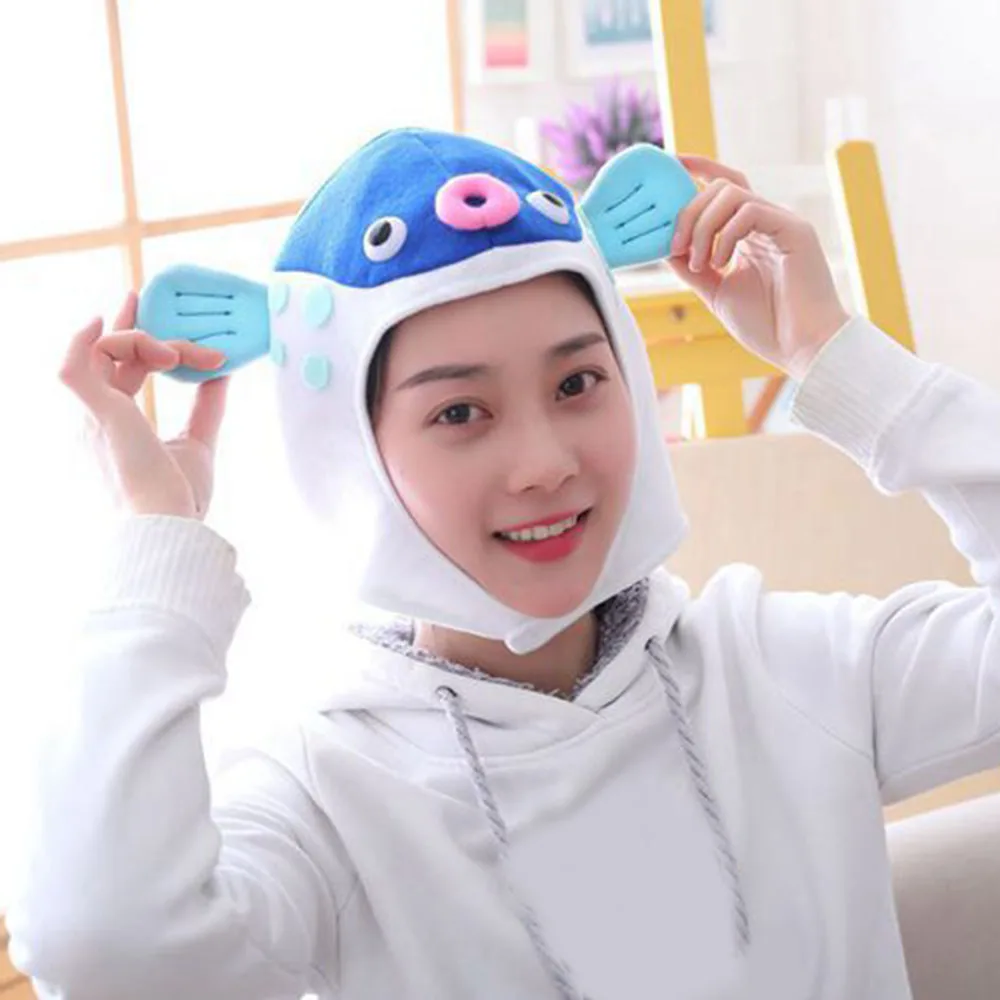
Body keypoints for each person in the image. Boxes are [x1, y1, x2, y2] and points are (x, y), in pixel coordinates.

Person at [7, 129, 1000, 1000]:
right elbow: (108, 951)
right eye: (459, 411)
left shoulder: (784, 668)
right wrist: (158, 538)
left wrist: (834, 356)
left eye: (577, 382)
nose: (545, 463)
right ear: (352, 449)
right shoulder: (326, 791)